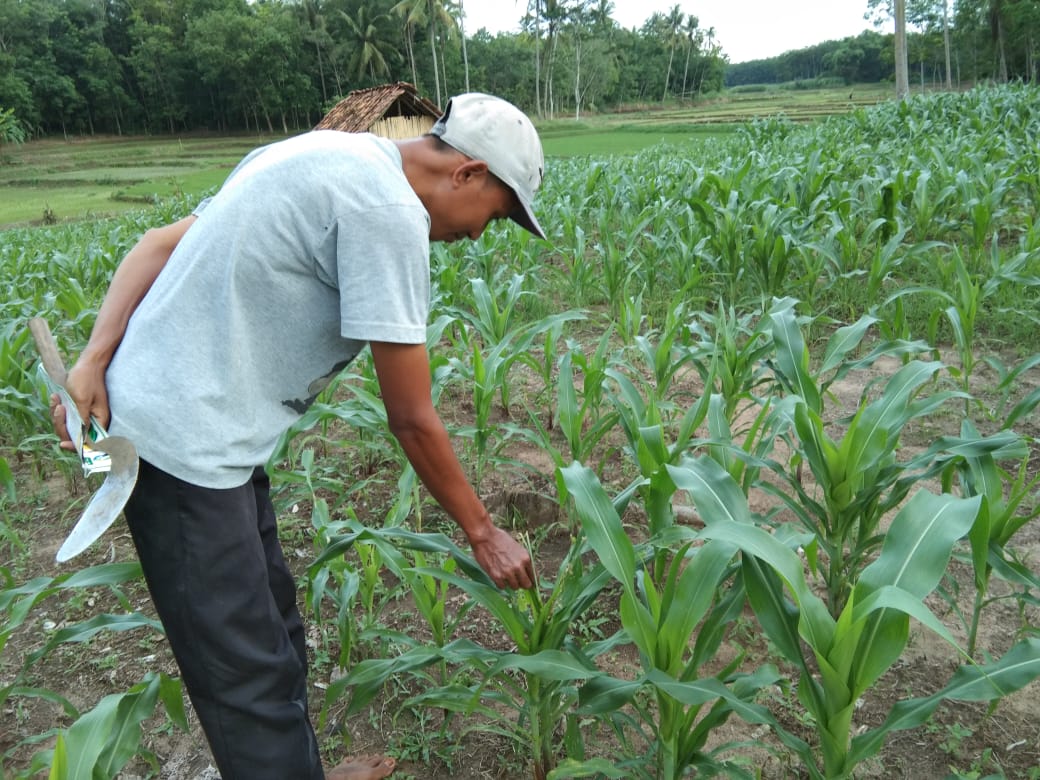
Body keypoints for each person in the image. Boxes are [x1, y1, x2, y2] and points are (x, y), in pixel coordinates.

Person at [48, 93, 543, 780]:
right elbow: (411, 415)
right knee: (245, 680)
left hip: (212, 440)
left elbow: (159, 243)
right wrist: (484, 532)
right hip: (179, 451)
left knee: (275, 630)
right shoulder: (390, 213)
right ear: (467, 172)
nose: (482, 234)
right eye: (495, 214)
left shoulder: (319, 151)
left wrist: (94, 357)